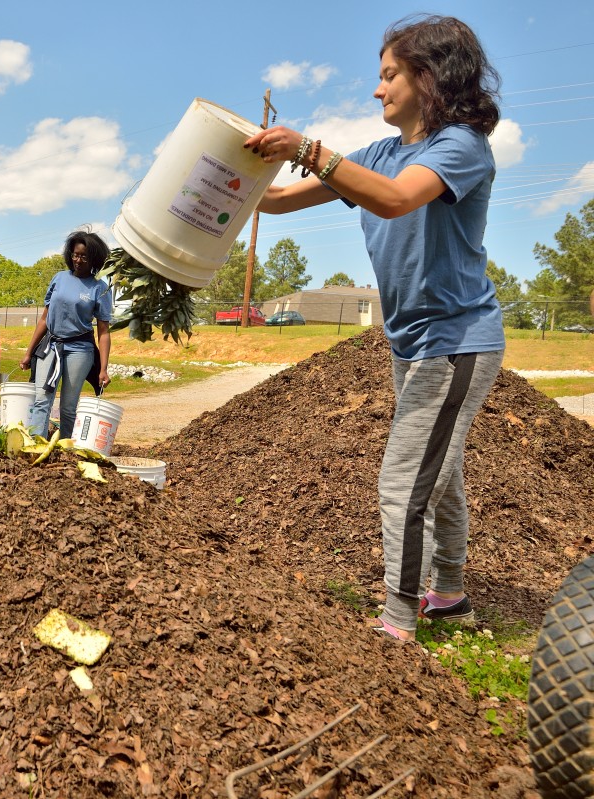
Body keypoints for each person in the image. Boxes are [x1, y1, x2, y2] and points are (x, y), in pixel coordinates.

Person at [244, 15, 504, 642]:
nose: (377, 89)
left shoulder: (460, 147)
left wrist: (310, 149)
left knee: (404, 480)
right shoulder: (379, 154)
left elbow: (392, 198)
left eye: (389, 75)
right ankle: (449, 592)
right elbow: (277, 201)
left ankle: (397, 621)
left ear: (429, 77)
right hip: (410, 341)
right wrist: (219, 171)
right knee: (437, 475)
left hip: (458, 340)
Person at [20, 230, 113, 439]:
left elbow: (104, 331)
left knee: (68, 406)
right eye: (75, 254)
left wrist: (103, 369)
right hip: (51, 345)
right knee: (42, 398)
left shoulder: (99, 288)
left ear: (94, 260)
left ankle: (64, 451)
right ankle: (36, 446)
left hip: (80, 349)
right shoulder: (59, 278)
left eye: (84, 256)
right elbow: (44, 318)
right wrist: (28, 353)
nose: (78, 260)